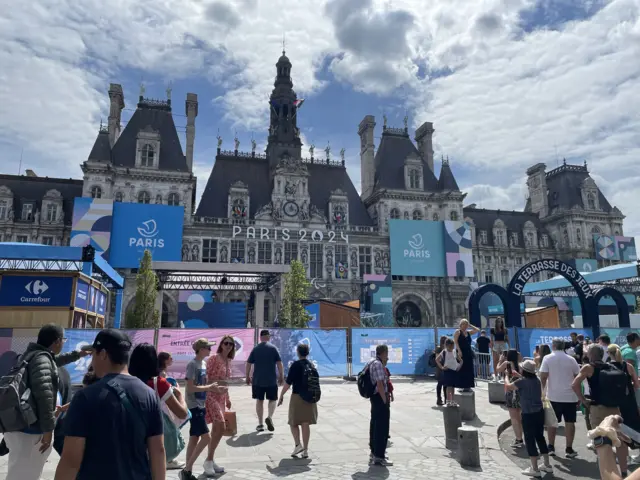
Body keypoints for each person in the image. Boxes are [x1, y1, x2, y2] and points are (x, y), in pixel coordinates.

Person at [54, 329, 166, 480]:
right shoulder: (149, 394)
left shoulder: (85, 397)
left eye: (93, 354)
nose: (92, 360)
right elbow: (158, 450)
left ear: (103, 354)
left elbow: (71, 460)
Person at [5, 323, 90, 480]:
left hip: (21, 426)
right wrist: (48, 431)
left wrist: (78, 354)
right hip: (30, 431)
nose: (63, 343)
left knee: (19, 472)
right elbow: (45, 397)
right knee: (25, 475)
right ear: (57, 341)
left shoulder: (34, 355)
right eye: (63, 340)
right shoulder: (42, 359)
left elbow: (54, 362)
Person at [129, 343, 189, 470]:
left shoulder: (126, 381)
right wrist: (180, 396)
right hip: (153, 442)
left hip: (130, 442)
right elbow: (182, 413)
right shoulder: (159, 384)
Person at [573, 343, 630, 476]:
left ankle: (608, 474)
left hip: (597, 409)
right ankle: (623, 471)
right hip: (615, 409)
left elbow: (574, 384)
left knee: (602, 444)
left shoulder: (588, 367)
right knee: (620, 441)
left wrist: (583, 400)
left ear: (590, 355)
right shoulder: (611, 366)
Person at [181, 339, 227, 480]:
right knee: (206, 438)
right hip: (194, 405)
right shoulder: (192, 364)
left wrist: (216, 390)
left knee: (194, 438)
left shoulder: (203, 364)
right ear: (201, 349)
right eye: (208, 347)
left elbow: (203, 384)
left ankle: (187, 471)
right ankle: (187, 469)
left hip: (201, 404)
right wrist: (208, 388)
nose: (210, 350)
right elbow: (190, 387)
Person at [504, 359, 553, 477]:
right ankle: (547, 464)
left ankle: (535, 468)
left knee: (530, 440)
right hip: (539, 413)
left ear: (524, 371)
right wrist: (519, 375)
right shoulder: (536, 380)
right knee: (540, 437)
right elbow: (527, 381)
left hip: (528, 414)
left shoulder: (522, 382)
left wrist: (506, 376)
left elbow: (509, 387)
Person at [539, 338, 580, 458]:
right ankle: (569, 448)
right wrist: (578, 395)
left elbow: (543, 377)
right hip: (570, 396)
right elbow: (577, 377)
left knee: (552, 423)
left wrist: (543, 393)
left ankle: (551, 446)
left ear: (553, 346)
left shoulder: (547, 358)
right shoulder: (571, 359)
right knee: (570, 422)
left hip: (553, 396)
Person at [278, 343, 318, 459]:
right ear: (308, 353)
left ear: (298, 352)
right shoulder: (312, 365)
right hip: (310, 398)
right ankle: (305, 450)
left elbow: (288, 383)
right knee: (306, 423)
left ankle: (297, 444)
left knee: (293, 422)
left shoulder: (295, 365)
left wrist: (281, 395)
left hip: (297, 397)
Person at [203, 335, 235, 476]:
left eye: (231, 344)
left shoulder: (228, 360)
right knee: (220, 426)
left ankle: (210, 459)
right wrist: (215, 388)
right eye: (226, 343)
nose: (228, 346)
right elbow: (206, 378)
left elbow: (226, 381)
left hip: (221, 397)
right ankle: (208, 460)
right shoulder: (214, 358)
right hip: (211, 395)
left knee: (217, 429)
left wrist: (227, 398)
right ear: (221, 344)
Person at [246, 330, 284, 432]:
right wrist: (281, 376)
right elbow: (279, 363)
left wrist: (247, 376)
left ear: (260, 337)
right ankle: (270, 417)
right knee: (272, 399)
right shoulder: (273, 348)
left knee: (259, 400)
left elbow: (248, 363)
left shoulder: (256, 349)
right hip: (271, 380)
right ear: (269, 337)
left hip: (258, 380)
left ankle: (260, 424)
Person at [367, 344, 392, 466]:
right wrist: (384, 400)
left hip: (375, 398)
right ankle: (379, 456)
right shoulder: (377, 364)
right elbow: (380, 384)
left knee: (375, 424)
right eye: (387, 353)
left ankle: (374, 452)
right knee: (382, 427)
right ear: (383, 353)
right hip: (379, 397)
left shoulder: (372, 362)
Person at [498, 349, 524, 448]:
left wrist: (500, 360)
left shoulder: (506, 363)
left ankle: (519, 438)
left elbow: (498, 369)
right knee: (519, 416)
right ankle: (520, 437)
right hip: (519, 392)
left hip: (510, 392)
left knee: (514, 418)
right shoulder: (521, 365)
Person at [454, 318, 479, 391]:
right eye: (464, 324)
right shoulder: (458, 332)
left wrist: (470, 325)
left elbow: (477, 330)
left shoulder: (468, 332)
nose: (465, 326)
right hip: (461, 352)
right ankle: (461, 385)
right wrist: (459, 350)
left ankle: (468, 386)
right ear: (461, 325)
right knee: (462, 368)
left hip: (468, 352)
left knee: (469, 369)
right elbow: (455, 341)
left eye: (466, 325)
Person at [436, 338, 461, 406]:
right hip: (447, 371)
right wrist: (442, 367)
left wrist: (459, 367)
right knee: (448, 386)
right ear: (446, 345)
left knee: (452, 386)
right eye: (450, 346)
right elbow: (437, 359)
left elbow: (460, 360)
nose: (451, 348)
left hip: (454, 370)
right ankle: (448, 400)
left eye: (452, 346)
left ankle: (452, 400)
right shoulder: (444, 352)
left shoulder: (454, 351)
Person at [434, 335, 447, 406]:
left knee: (445, 384)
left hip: (445, 368)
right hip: (440, 368)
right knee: (440, 384)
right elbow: (437, 358)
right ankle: (439, 399)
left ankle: (446, 399)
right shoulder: (439, 348)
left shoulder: (446, 348)